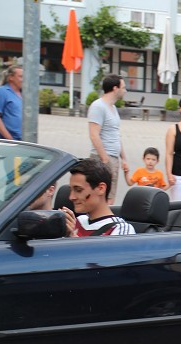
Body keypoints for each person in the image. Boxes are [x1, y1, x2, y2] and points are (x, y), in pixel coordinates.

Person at [60, 158, 135, 237]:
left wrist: (74, 240)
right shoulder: (78, 222)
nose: (71, 197)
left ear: (101, 189)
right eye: (71, 190)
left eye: (78, 190)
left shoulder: (120, 230)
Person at [87, 74, 130, 204]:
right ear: (115, 88)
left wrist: (124, 158)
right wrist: (105, 159)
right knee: (99, 198)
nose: (125, 91)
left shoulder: (113, 108)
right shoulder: (98, 106)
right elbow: (94, 135)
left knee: (110, 198)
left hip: (113, 158)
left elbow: (115, 134)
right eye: (123, 87)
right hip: (103, 158)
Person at [0, 65, 24, 141]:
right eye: (21, 76)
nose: (24, 80)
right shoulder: (1, 92)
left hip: (23, 140)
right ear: (11, 78)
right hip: (10, 142)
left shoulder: (24, 94)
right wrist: (10, 139)